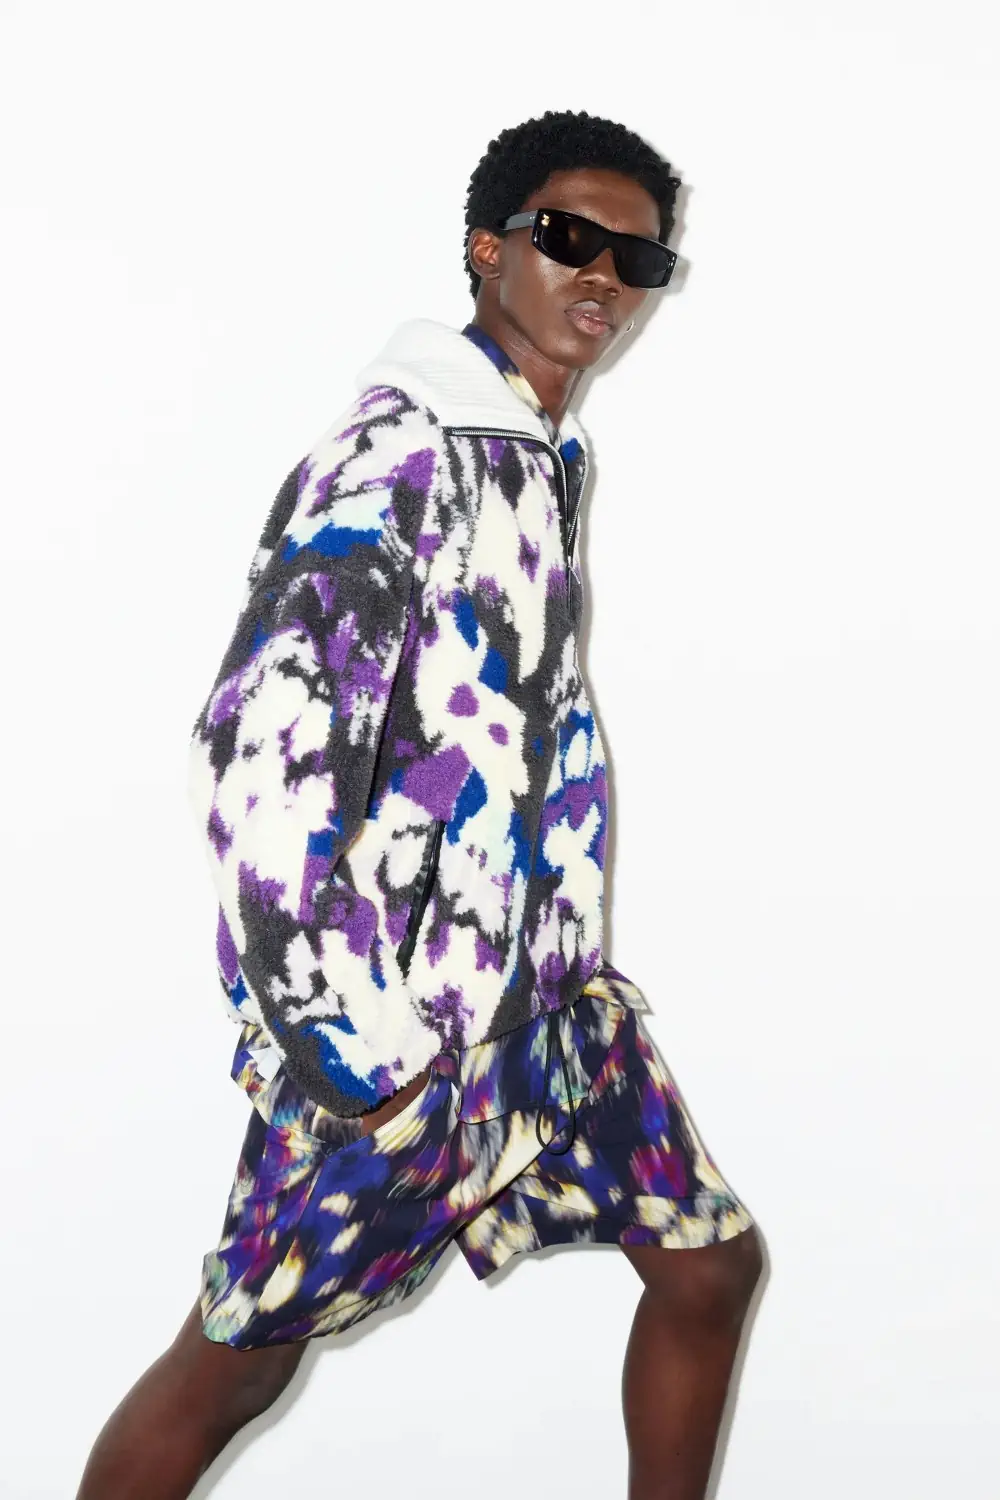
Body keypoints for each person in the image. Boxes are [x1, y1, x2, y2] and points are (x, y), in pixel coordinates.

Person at [76, 108, 763, 1500]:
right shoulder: (402, 454)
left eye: (638, 259)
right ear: (487, 248)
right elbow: (257, 753)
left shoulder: (540, 449)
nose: (604, 277)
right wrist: (354, 1051)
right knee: (240, 1360)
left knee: (709, 1267)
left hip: (547, 1008)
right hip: (403, 1039)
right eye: (569, 237)